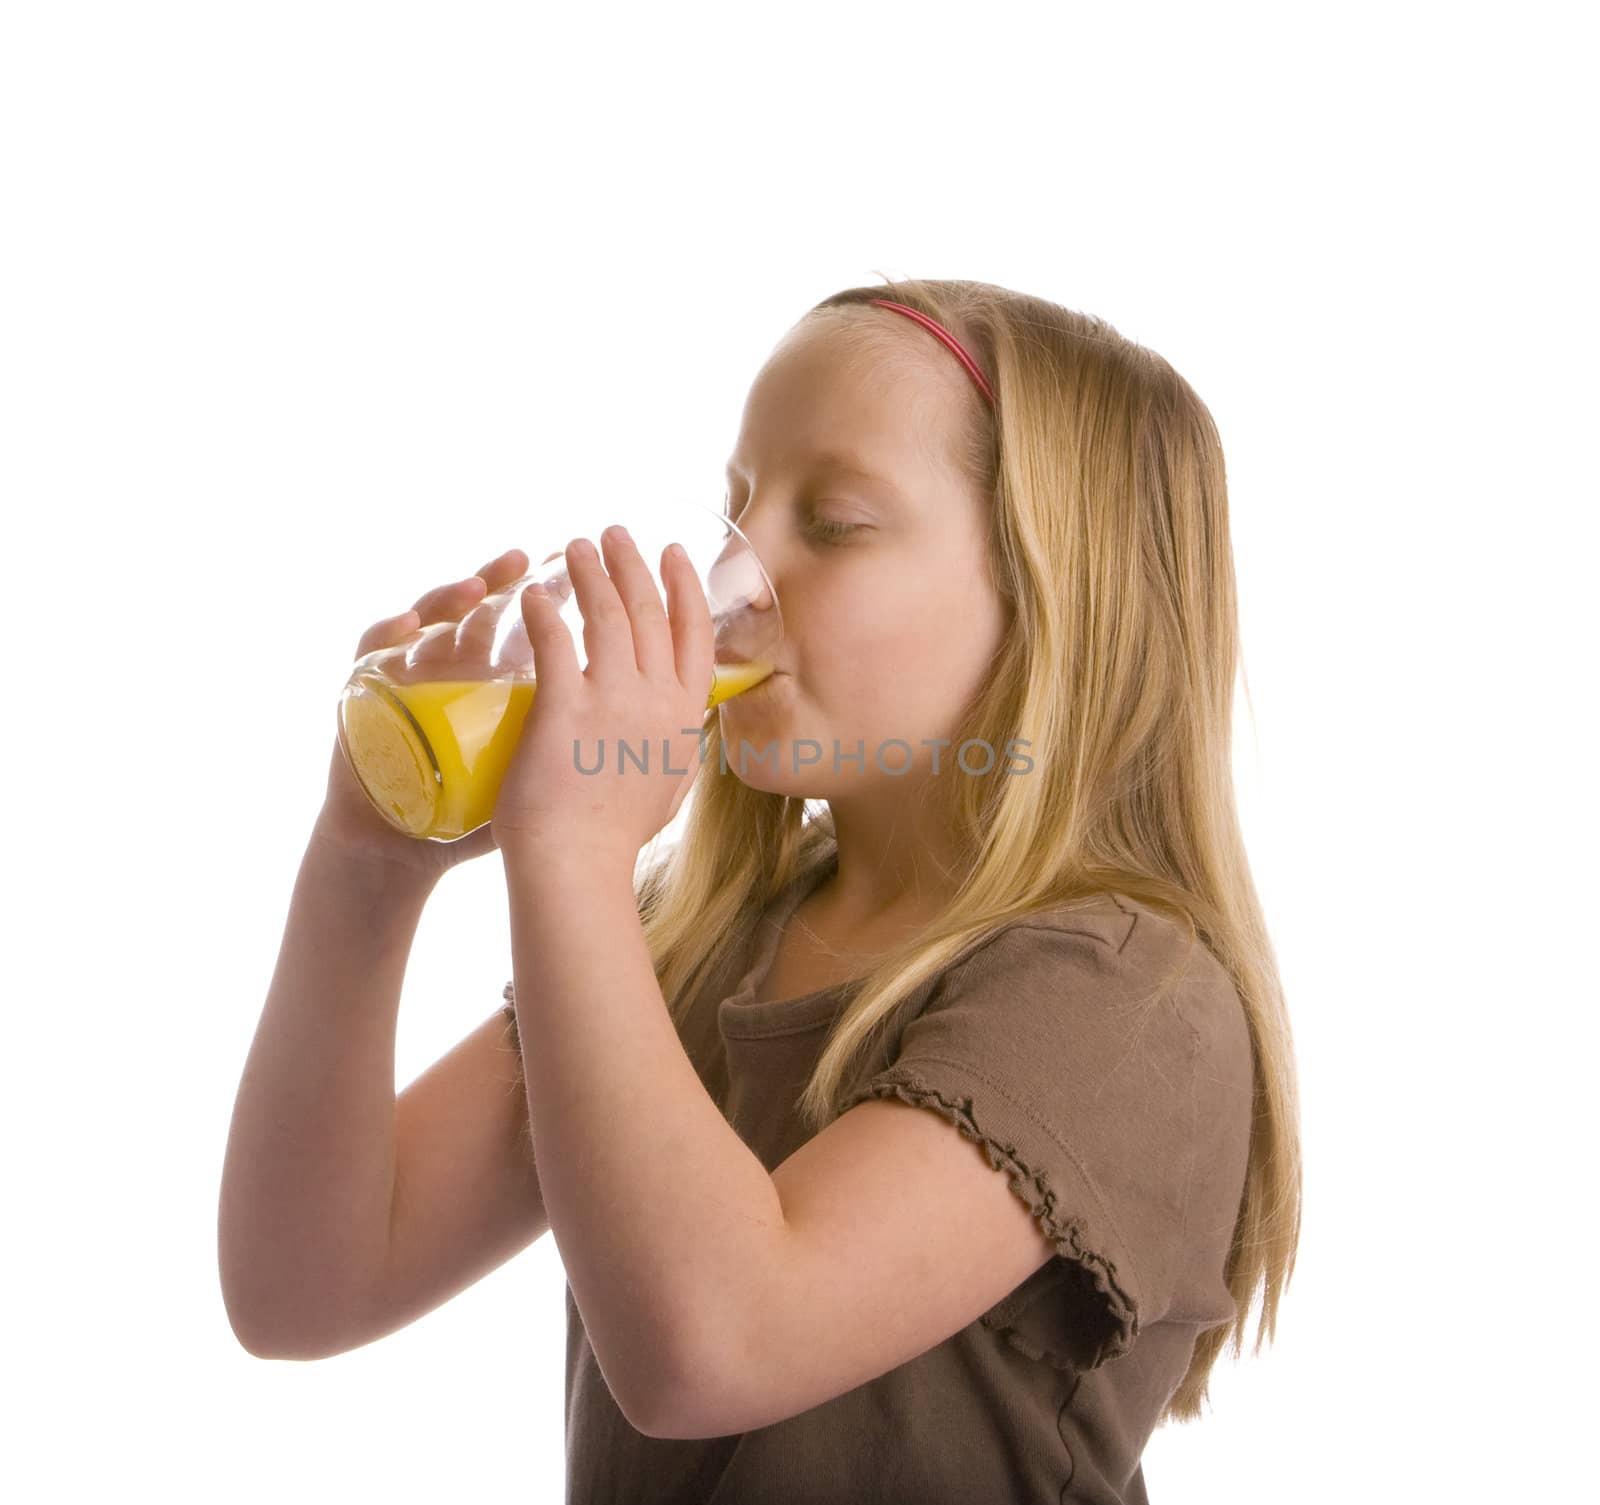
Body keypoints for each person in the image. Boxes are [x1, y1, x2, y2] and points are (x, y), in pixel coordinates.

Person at [219, 276, 1300, 1505]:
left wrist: (570, 853)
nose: (733, 573)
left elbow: (711, 1347)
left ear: (1056, 604)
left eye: (832, 522)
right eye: (737, 507)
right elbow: (302, 1283)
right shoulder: (702, 935)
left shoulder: (1123, 996)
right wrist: (365, 867)